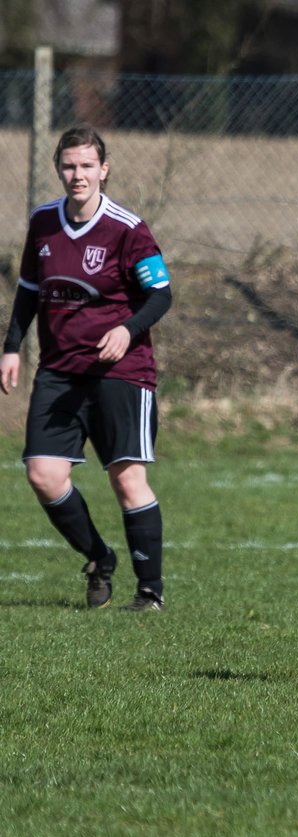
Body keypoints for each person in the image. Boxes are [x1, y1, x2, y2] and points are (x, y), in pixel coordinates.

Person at [1, 125, 172, 611]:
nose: (78, 175)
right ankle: (99, 557)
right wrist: (12, 345)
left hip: (121, 370)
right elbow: (29, 291)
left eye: (86, 166)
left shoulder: (127, 229)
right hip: (59, 370)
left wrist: (127, 329)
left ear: (104, 169)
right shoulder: (44, 223)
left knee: (126, 479)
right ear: (59, 168)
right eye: (69, 166)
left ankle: (149, 592)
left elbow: (161, 294)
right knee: (43, 474)